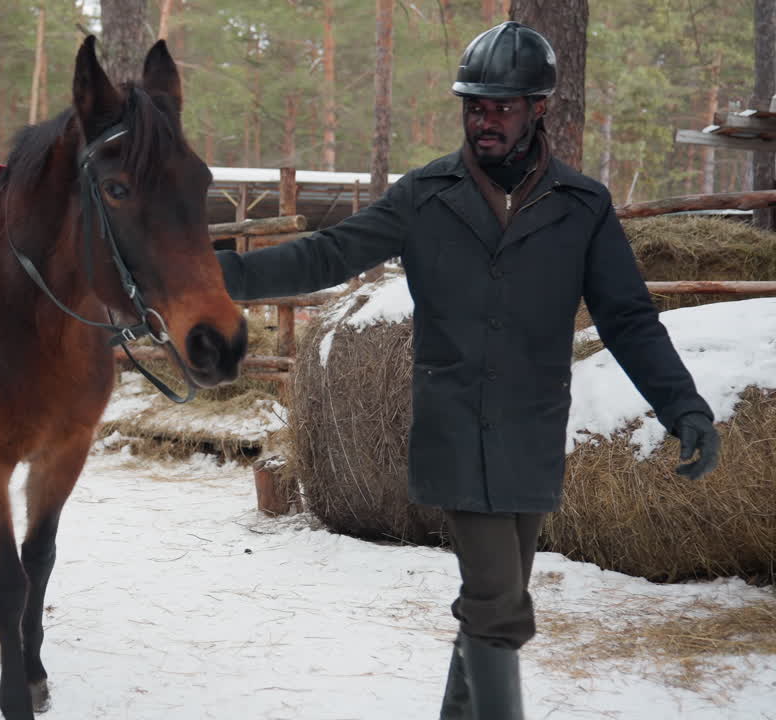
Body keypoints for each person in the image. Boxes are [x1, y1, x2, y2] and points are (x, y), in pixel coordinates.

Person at [215, 21, 721, 720]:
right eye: (473, 106)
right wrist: (222, 278)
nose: (484, 121)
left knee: (493, 604)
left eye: (501, 108)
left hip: (531, 438)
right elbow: (329, 253)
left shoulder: (583, 208)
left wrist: (682, 406)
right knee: (499, 609)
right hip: (455, 435)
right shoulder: (424, 195)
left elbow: (629, 319)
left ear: (537, 108)